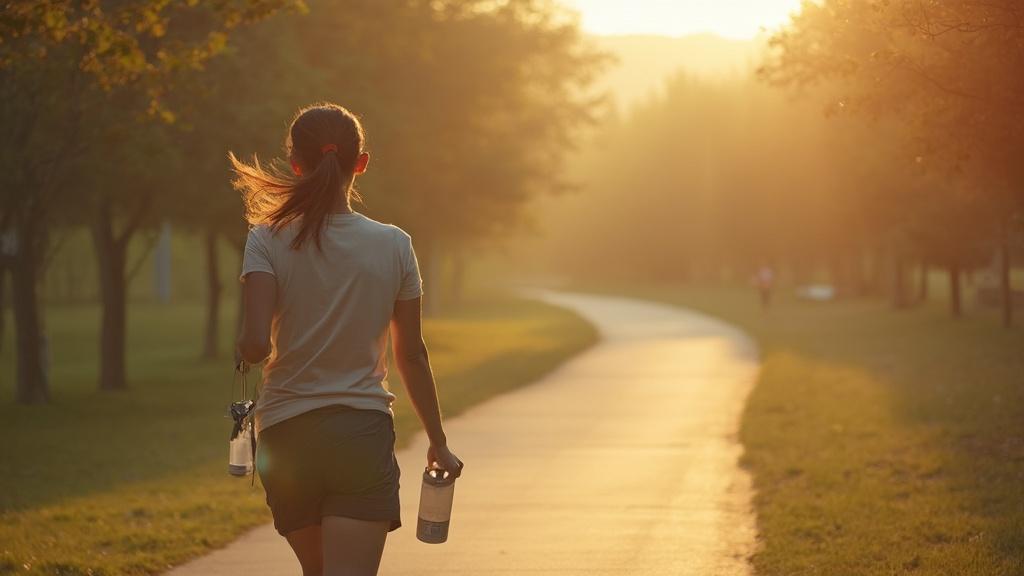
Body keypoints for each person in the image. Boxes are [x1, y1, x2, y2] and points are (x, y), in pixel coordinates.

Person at [232, 103, 463, 576]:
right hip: (358, 434)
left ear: (296, 164)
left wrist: (249, 345)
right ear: (361, 163)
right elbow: (412, 355)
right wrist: (437, 441)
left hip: (286, 436)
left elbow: (256, 344)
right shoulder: (394, 244)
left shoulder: (266, 239)